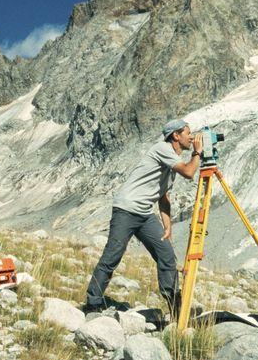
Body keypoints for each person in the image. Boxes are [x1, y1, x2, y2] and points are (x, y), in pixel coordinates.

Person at [83, 119, 203, 316]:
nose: (191, 137)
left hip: (145, 213)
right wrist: (197, 152)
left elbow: (163, 197)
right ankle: (93, 303)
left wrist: (167, 227)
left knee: (166, 255)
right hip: (126, 208)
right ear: (175, 135)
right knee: (113, 255)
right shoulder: (163, 149)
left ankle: (176, 307)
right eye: (188, 133)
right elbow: (189, 173)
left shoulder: (172, 159)